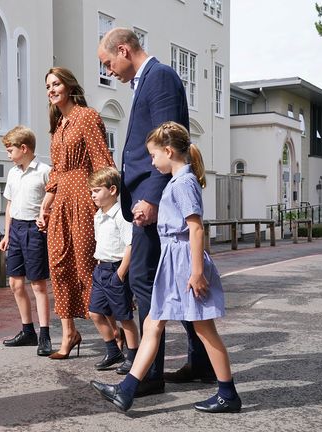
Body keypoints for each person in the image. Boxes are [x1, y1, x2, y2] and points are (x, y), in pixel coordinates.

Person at [91, 121, 241, 414]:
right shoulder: (177, 181)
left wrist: (197, 271)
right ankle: (127, 390)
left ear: (169, 151)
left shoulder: (184, 182)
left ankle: (228, 393)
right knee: (152, 323)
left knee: (204, 329)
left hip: (184, 261)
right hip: (173, 260)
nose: (151, 161)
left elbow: (195, 229)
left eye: (153, 155)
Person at [97, 27, 214, 391]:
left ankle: (147, 376)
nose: (109, 71)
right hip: (146, 196)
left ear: (124, 50)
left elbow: (170, 140)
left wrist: (150, 195)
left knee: (145, 281)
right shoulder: (144, 81)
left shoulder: (160, 76)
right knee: (173, 283)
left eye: (108, 63)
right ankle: (202, 364)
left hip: (154, 199)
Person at [37, 67, 115, 359]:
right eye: (48, 86)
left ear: (69, 86)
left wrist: (106, 201)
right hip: (61, 201)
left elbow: (102, 160)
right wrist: (46, 202)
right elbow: (56, 170)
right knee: (58, 264)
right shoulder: (58, 125)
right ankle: (69, 333)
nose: (51, 89)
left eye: (56, 84)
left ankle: (114, 332)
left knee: (87, 266)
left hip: (84, 196)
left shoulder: (87, 116)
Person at [0, 126, 53, 356]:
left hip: (34, 230)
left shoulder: (44, 171)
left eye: (10, 150)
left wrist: (45, 217)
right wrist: (7, 233)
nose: (8, 154)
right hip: (17, 229)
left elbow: (53, 201)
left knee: (38, 284)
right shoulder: (12, 173)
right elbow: (9, 205)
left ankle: (45, 335)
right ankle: (27, 330)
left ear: (24, 148)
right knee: (15, 283)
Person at [87, 167, 140, 371]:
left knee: (124, 317)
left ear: (112, 190)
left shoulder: (121, 215)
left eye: (97, 190)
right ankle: (113, 351)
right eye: (91, 191)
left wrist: (120, 274)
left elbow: (130, 245)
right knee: (95, 313)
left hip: (116, 270)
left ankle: (133, 356)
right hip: (101, 269)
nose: (93, 195)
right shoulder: (98, 215)